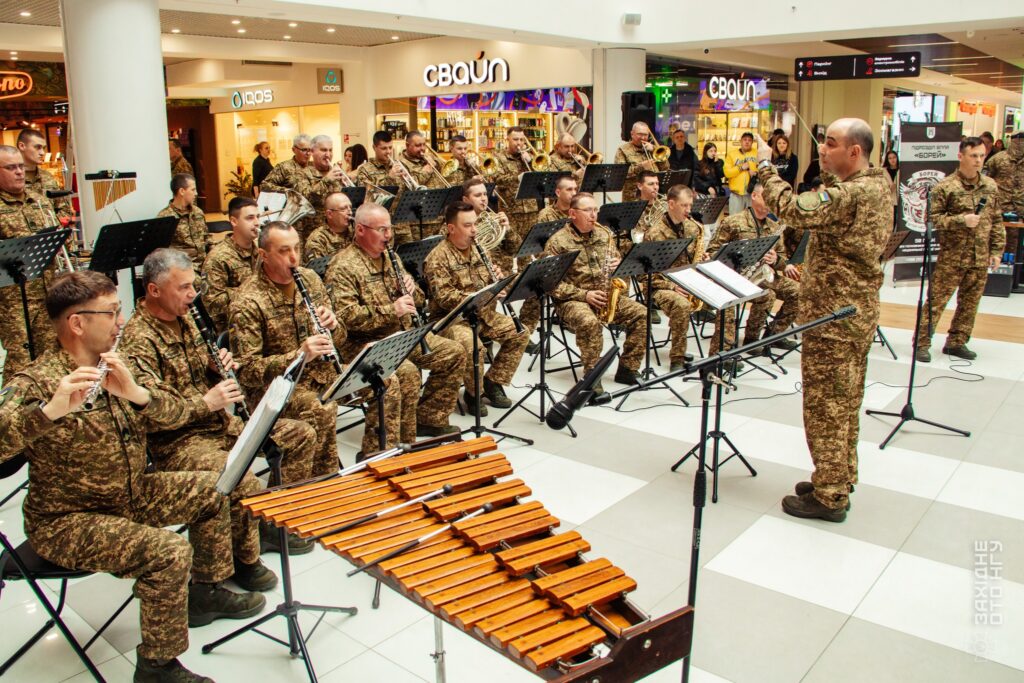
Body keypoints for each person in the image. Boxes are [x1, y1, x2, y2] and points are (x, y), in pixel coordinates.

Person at [0, 270, 263, 683]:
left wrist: (138, 396)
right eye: (112, 312)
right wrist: (48, 413)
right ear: (77, 323)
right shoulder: (34, 381)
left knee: (219, 486)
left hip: (130, 492)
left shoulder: (112, 365)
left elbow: (170, 414)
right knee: (168, 553)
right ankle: (157, 668)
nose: (121, 321)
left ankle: (204, 592)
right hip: (65, 519)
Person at [121, 248, 318, 559]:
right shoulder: (137, 339)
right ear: (154, 290)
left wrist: (214, 370)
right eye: (183, 288)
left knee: (301, 434)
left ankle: (270, 522)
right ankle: (238, 562)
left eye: (193, 286)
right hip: (178, 442)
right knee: (241, 476)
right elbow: (151, 413)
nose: (192, 295)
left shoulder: (187, 319)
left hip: (219, 425)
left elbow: (199, 373)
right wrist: (206, 402)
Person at [756, 117, 892, 523]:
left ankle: (830, 496)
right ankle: (837, 476)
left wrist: (766, 168)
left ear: (855, 152)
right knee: (846, 401)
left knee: (826, 406)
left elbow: (795, 209)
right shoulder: (879, 184)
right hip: (855, 311)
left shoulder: (850, 196)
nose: (821, 149)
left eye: (830, 143)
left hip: (834, 317)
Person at [325, 203, 465, 442]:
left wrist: (412, 290)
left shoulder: (391, 257)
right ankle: (385, 444)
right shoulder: (343, 266)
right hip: (366, 344)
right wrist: (392, 310)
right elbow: (346, 317)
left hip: (404, 334)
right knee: (408, 374)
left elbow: (418, 299)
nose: (388, 235)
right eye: (381, 230)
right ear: (360, 230)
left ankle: (429, 418)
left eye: (389, 229)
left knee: (455, 353)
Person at [230, 221, 347, 475]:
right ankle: (319, 485)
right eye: (284, 251)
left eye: (297, 248)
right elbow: (246, 372)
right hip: (277, 390)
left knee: (385, 376)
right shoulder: (247, 301)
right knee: (322, 407)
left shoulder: (310, 279)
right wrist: (298, 355)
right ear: (263, 255)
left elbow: (340, 338)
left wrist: (334, 326)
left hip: (321, 374)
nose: (294, 257)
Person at [424, 202, 529, 415]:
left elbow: (488, 283)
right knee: (475, 347)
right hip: (453, 320)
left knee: (520, 333)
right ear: (451, 228)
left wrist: (496, 282)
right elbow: (445, 298)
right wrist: (483, 296)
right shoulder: (437, 257)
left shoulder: (479, 249)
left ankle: (493, 381)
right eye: (468, 225)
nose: (474, 230)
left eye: (475, 224)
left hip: (483, 314)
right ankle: (474, 393)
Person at [544, 192, 646, 391]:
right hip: (573, 300)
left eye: (596, 210)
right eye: (588, 210)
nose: (594, 215)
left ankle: (628, 369)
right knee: (589, 322)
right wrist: (584, 295)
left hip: (605, 294)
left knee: (642, 314)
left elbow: (620, 275)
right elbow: (550, 284)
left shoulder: (604, 234)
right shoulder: (557, 242)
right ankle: (592, 378)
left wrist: (620, 267)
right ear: (573, 213)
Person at [915, 137, 1003, 363]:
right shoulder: (945, 187)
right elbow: (931, 220)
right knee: (936, 301)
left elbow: (996, 220)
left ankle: (957, 342)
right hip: (952, 257)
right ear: (961, 156)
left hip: (979, 256)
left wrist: (996, 251)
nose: (978, 161)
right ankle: (922, 343)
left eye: (982, 156)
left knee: (970, 302)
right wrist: (961, 221)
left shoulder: (990, 186)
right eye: (974, 156)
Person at [706, 183, 801, 354]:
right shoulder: (733, 222)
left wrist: (776, 259)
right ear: (754, 196)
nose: (771, 202)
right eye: (767, 197)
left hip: (760, 276)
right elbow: (712, 252)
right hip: (734, 277)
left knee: (799, 292)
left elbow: (783, 259)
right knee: (768, 295)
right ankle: (738, 343)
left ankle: (772, 336)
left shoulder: (774, 226)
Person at [0, 144, 60, 377]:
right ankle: (11, 412)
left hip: (47, 291)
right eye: (11, 167)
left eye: (21, 167)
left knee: (50, 356)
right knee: (21, 363)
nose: (19, 172)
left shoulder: (39, 201)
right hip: (13, 301)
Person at [642, 184, 704, 369]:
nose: (688, 210)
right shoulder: (654, 234)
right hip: (660, 287)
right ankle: (677, 357)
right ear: (671, 204)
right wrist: (672, 287)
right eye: (684, 206)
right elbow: (646, 277)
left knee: (725, 298)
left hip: (687, 282)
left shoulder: (693, 228)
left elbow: (694, 258)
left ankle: (720, 354)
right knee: (682, 305)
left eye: (690, 205)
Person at [201, 196, 260, 332]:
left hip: (259, 319)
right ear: (234, 221)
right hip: (234, 328)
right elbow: (213, 304)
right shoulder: (218, 258)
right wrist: (252, 289)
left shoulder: (260, 251)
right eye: (250, 218)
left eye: (258, 216)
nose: (257, 222)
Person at [491, 126, 541, 272]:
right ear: (507, 139)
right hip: (511, 210)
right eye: (515, 139)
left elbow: (541, 176)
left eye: (521, 140)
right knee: (513, 248)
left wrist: (531, 162)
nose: (519, 143)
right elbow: (496, 179)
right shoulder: (498, 157)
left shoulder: (528, 156)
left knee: (532, 246)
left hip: (531, 209)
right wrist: (517, 178)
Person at [259, 134, 316, 240]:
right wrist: (288, 192)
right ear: (294, 149)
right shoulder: (284, 167)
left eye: (310, 150)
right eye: (304, 150)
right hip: (295, 224)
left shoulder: (314, 167)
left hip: (314, 223)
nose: (308, 154)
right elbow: (265, 185)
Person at [396, 130, 447, 240]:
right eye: (418, 145)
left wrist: (437, 163)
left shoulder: (428, 159)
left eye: (424, 144)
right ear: (407, 145)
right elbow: (410, 186)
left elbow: (447, 172)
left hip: (438, 218)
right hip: (418, 222)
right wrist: (426, 171)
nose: (422, 148)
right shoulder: (400, 164)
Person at [156, 173, 211, 272]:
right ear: (182, 191)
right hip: (183, 268)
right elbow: (162, 252)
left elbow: (207, 238)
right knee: (203, 285)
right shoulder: (165, 217)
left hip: (205, 264)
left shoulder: (198, 212)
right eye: (193, 190)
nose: (196, 193)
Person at [17, 128, 72, 221]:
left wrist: (55, 226)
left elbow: (63, 208)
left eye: (43, 148)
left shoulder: (47, 177)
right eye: (37, 147)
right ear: (22, 146)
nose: (42, 153)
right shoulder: (10, 178)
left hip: (52, 232)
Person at [984, 129, 1023, 256]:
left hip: (1021, 213)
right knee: (997, 245)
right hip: (1000, 211)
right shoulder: (997, 159)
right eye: (1019, 140)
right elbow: (985, 183)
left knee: (1017, 252)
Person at [304, 134, 349, 242]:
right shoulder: (302, 174)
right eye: (323, 150)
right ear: (312, 151)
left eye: (330, 150)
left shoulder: (337, 173)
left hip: (341, 236)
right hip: (316, 238)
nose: (328, 154)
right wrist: (326, 180)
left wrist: (347, 187)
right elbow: (306, 199)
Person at [614, 122, 669, 202]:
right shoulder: (622, 150)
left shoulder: (653, 149)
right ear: (632, 134)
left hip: (654, 197)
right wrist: (641, 167)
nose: (643, 137)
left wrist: (654, 149)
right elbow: (620, 173)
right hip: (633, 198)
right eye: (639, 134)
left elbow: (666, 168)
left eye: (645, 135)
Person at [354, 130, 405, 212]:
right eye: (384, 148)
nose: (388, 151)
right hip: (377, 217)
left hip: (399, 218)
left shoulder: (398, 165)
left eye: (390, 147)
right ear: (374, 147)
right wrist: (390, 178)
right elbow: (369, 197)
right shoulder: (364, 170)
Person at [304, 191, 353, 263]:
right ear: (329, 214)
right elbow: (317, 272)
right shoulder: (317, 239)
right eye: (343, 209)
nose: (350, 213)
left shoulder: (356, 231)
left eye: (350, 208)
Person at [724, 132, 758, 214]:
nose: (747, 142)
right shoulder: (731, 154)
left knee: (751, 221)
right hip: (736, 195)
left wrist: (756, 173)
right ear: (741, 141)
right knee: (735, 222)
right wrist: (740, 168)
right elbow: (727, 173)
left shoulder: (757, 154)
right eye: (745, 140)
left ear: (752, 142)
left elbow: (764, 170)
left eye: (749, 140)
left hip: (752, 194)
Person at [631, 170, 667, 244]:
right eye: (651, 184)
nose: (655, 187)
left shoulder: (664, 205)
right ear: (640, 186)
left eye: (657, 184)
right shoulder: (632, 208)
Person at [884, 150, 900, 227]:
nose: (892, 160)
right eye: (890, 158)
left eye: (894, 157)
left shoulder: (901, 170)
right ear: (887, 160)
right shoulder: (884, 171)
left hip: (899, 200)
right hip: (889, 200)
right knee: (891, 222)